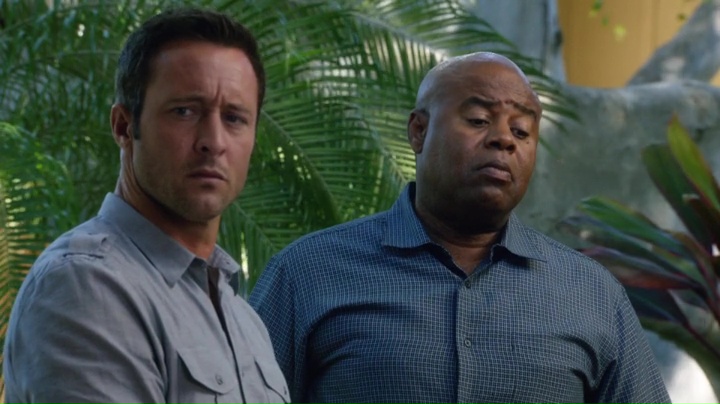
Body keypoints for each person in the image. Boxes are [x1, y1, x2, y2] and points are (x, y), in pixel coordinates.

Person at [249, 52, 672, 404]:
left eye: (521, 130)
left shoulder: (592, 294)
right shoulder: (307, 273)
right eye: (478, 119)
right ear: (419, 131)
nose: (504, 139)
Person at [3, 8, 289, 404]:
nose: (213, 141)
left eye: (234, 118)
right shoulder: (86, 286)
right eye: (185, 111)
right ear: (124, 126)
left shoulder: (244, 318)